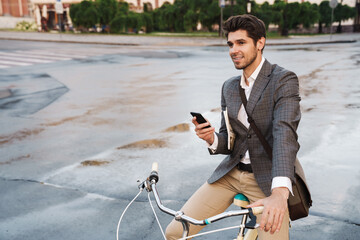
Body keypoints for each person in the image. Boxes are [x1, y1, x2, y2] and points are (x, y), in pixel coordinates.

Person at [165, 14, 301, 240]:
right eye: (230, 44)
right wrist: (211, 138)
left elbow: (285, 134)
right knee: (175, 232)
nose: (233, 50)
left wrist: (279, 194)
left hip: (267, 178)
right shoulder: (229, 87)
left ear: (260, 43)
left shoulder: (283, 80)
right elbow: (230, 140)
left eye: (241, 42)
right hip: (231, 173)